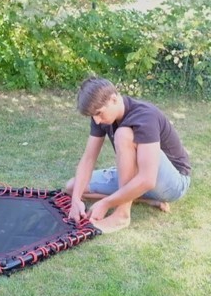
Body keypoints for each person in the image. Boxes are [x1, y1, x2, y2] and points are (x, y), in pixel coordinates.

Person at [66, 77, 191, 233]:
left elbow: (147, 179)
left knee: (123, 134)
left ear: (113, 99)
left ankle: (122, 215)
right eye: (93, 116)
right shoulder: (100, 118)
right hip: (142, 180)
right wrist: (76, 200)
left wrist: (106, 203)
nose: (97, 121)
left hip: (172, 182)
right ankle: (143, 198)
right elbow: (88, 159)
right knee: (72, 187)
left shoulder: (145, 115)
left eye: (99, 113)